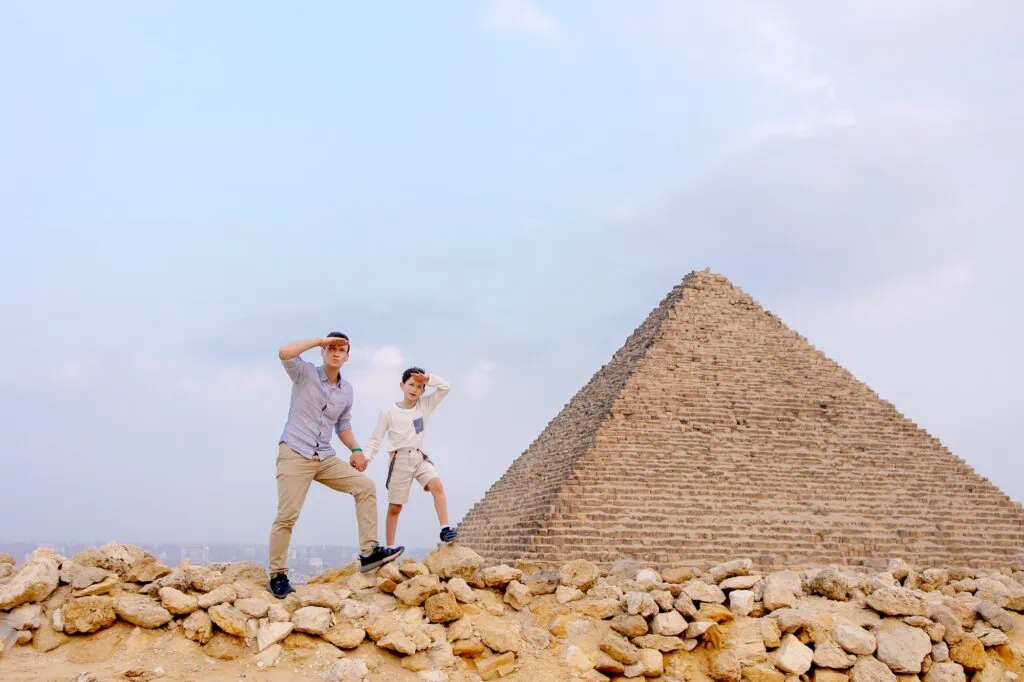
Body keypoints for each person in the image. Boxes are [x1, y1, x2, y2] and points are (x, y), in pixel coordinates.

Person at [268, 332, 403, 598]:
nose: (335, 353)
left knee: (365, 487)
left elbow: (343, 425)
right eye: (331, 348)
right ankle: (277, 574)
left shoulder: (347, 391)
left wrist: (356, 450)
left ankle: (369, 552)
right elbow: (284, 353)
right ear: (323, 351)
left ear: (347, 357)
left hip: (324, 456)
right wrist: (320, 339)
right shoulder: (304, 373)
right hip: (295, 452)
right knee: (287, 516)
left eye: (341, 349)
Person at [363, 367, 456, 547]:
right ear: (402, 385)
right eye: (411, 384)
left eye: (419, 386)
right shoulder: (388, 412)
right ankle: (390, 547)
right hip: (399, 460)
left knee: (437, 486)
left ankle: (445, 529)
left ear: (423, 390)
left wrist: (428, 378)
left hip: (419, 456)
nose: (414, 389)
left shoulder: (425, 405)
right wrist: (366, 457)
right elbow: (376, 439)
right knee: (395, 507)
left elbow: (445, 387)